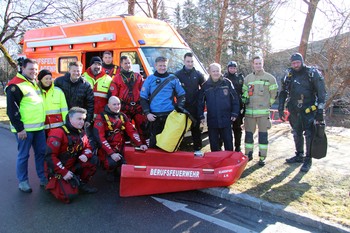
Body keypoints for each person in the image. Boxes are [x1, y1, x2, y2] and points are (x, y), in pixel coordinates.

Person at [278, 53, 326, 172]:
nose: (295, 65)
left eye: (297, 62)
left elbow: (322, 92)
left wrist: (320, 110)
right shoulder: (288, 74)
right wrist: (280, 107)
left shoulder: (312, 73)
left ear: (302, 61)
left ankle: (308, 159)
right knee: (296, 133)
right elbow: (283, 91)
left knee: (309, 134)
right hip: (294, 109)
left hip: (308, 109)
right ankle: (299, 155)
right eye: (293, 63)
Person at [5, 58, 47, 193]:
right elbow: (12, 110)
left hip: (38, 128)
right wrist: (20, 129)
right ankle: (23, 182)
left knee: (41, 153)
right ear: (22, 68)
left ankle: (42, 178)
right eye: (31, 69)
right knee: (24, 156)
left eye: (35, 69)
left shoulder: (33, 83)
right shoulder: (15, 85)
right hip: (25, 130)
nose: (34, 72)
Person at [45, 107, 98, 199]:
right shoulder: (58, 133)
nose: (82, 122)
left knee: (93, 159)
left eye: (83, 119)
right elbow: (50, 157)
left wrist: (86, 155)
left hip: (72, 165)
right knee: (69, 196)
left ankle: (81, 182)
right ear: (70, 119)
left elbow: (88, 147)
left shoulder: (81, 132)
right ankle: (58, 183)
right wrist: (64, 172)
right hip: (59, 170)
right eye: (79, 119)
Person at [94, 96, 148, 181]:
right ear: (108, 105)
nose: (117, 106)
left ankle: (118, 170)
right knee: (111, 163)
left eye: (118, 104)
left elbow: (132, 131)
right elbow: (100, 138)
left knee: (128, 160)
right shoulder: (101, 117)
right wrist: (111, 153)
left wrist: (140, 144)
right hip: (106, 149)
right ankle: (110, 172)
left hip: (120, 146)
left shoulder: (122, 116)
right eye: (114, 104)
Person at [140, 56, 186, 148]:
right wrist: (147, 113)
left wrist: (179, 107)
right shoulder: (149, 79)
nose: (162, 68)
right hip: (154, 117)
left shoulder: (173, 79)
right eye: (160, 65)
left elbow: (182, 95)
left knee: (168, 143)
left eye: (164, 65)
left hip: (170, 116)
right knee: (154, 143)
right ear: (155, 66)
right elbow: (143, 98)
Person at [242, 55, 278, 166]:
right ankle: (248, 154)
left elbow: (274, 94)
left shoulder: (270, 78)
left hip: (263, 114)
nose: (258, 65)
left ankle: (262, 157)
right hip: (249, 113)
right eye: (256, 63)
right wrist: (245, 99)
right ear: (253, 64)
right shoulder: (248, 78)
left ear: (263, 64)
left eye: (260, 63)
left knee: (263, 136)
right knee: (248, 135)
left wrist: (268, 104)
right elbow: (244, 93)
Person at [198, 63, 240, 152]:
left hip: (226, 119)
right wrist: (201, 115)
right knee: (214, 145)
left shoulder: (227, 83)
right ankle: (216, 163)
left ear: (220, 71)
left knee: (228, 143)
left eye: (217, 71)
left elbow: (235, 99)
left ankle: (229, 163)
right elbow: (200, 102)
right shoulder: (205, 86)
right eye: (213, 71)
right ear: (209, 72)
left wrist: (234, 113)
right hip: (212, 120)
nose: (216, 73)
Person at [108, 56, 148, 144]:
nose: (128, 65)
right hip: (124, 107)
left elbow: (143, 91)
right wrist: (117, 107)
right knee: (126, 128)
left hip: (137, 107)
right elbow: (114, 95)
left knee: (142, 126)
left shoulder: (138, 76)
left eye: (129, 63)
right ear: (121, 65)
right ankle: (128, 146)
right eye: (125, 63)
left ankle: (144, 144)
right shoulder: (117, 78)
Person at [175, 52, 206, 156]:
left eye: (192, 61)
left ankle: (197, 149)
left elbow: (204, 88)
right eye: (188, 61)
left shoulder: (198, 74)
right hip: (182, 107)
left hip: (195, 107)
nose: (190, 63)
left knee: (196, 129)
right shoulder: (177, 75)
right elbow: (172, 90)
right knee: (179, 129)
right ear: (184, 61)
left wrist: (200, 100)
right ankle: (176, 148)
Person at [54, 61, 94, 128]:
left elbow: (90, 104)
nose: (76, 73)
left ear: (81, 71)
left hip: (78, 118)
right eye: (74, 71)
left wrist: (88, 120)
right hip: (62, 117)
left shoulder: (86, 85)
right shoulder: (59, 82)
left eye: (78, 71)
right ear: (69, 70)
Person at [224, 61, 245, 152]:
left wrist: (244, 105)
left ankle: (237, 146)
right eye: (231, 68)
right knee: (225, 128)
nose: (232, 69)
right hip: (226, 106)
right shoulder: (224, 78)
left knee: (237, 128)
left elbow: (244, 91)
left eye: (234, 68)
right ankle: (226, 147)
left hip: (238, 106)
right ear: (228, 68)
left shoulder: (240, 78)